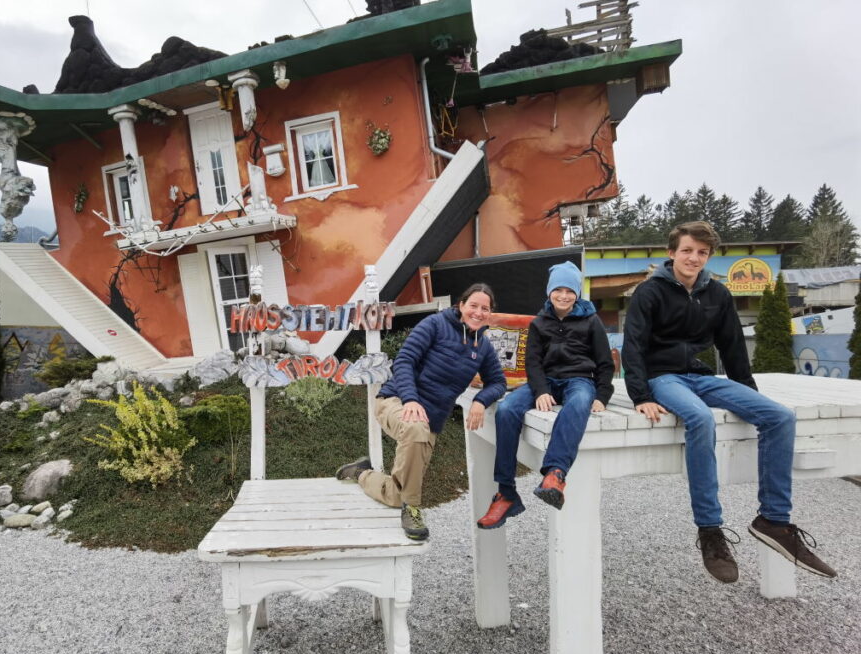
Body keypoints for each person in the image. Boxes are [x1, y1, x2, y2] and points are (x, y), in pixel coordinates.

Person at [622, 221, 836, 583]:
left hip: (701, 375)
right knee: (700, 419)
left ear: (708, 257)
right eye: (687, 250)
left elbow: (733, 346)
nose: (694, 258)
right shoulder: (650, 292)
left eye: (702, 253)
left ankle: (774, 521)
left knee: (779, 416)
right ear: (672, 253)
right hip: (663, 377)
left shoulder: (717, 295)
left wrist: (748, 394)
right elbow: (634, 346)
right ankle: (710, 529)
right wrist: (640, 395)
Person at [336, 283, 506, 540]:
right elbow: (404, 360)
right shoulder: (435, 324)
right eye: (474, 305)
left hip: (431, 421)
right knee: (415, 429)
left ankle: (360, 472)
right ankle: (413, 509)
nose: (478, 312)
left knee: (396, 494)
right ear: (461, 305)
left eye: (485, 308)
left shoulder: (482, 347)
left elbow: (499, 382)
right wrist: (411, 400)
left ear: (489, 313)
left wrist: (481, 401)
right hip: (396, 400)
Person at [477, 261, 614, 529]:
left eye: (570, 290)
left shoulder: (591, 321)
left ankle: (555, 474)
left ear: (578, 293)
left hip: (579, 380)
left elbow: (605, 362)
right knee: (507, 410)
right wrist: (540, 390)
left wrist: (603, 394)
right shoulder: (539, 323)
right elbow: (533, 362)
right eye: (558, 290)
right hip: (546, 380)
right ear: (549, 292)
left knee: (579, 403)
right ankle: (506, 493)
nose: (563, 296)